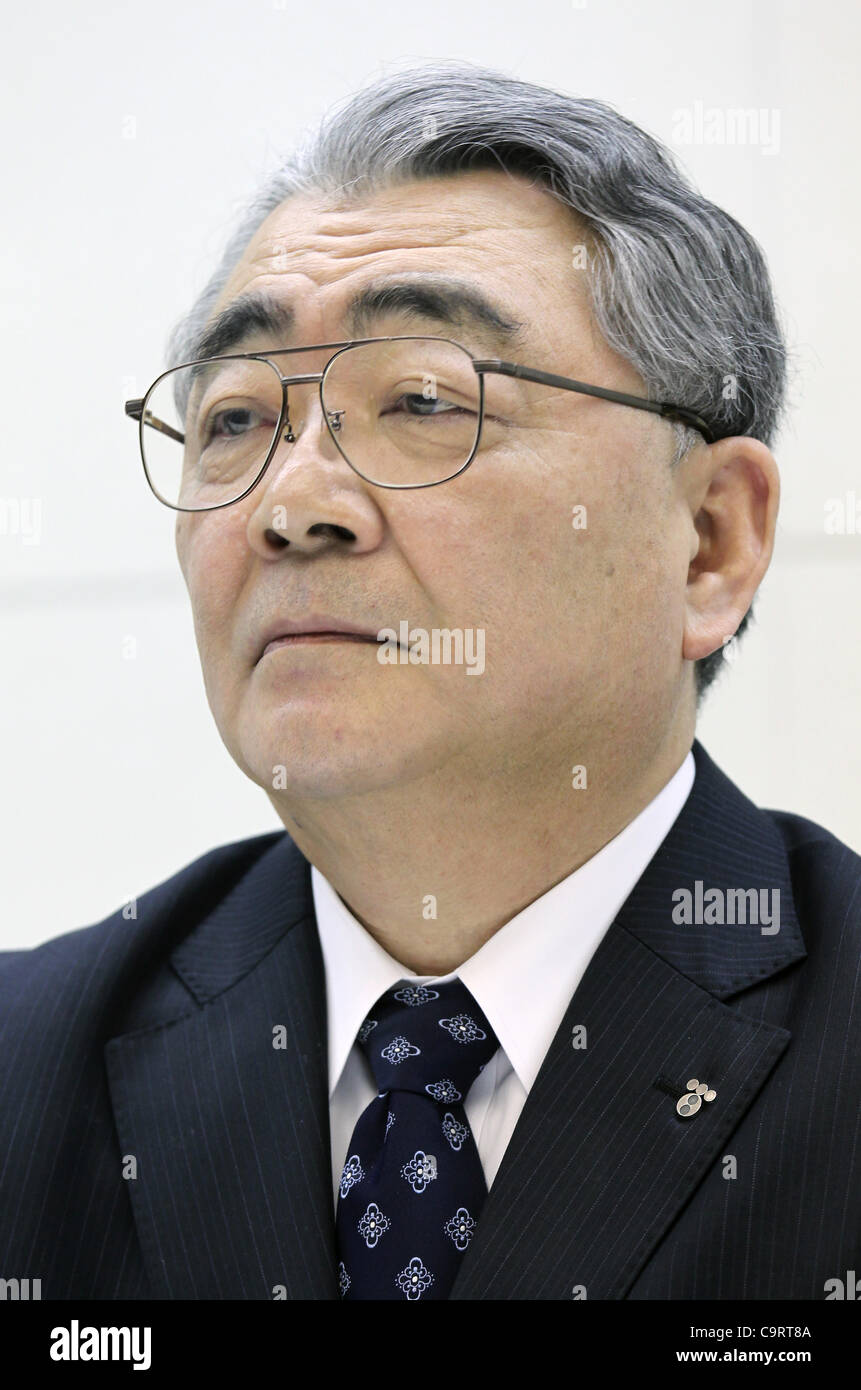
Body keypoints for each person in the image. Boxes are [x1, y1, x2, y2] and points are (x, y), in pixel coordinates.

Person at [2, 61, 858, 1302]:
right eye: (236, 419)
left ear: (711, 541)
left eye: (420, 399)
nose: (292, 504)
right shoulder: (29, 1070)